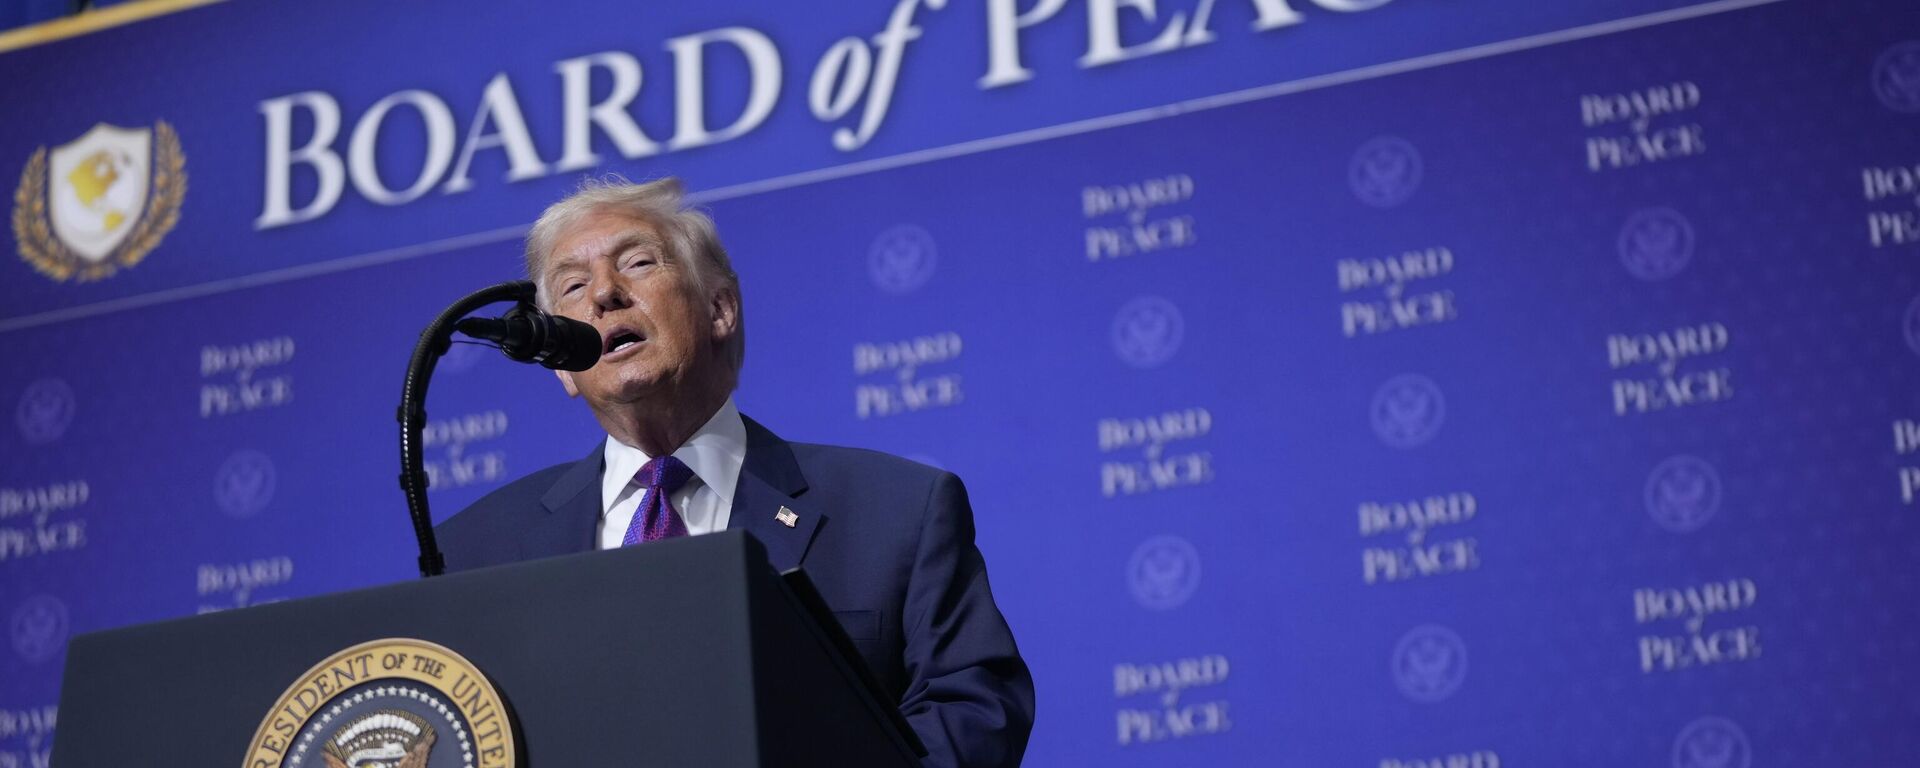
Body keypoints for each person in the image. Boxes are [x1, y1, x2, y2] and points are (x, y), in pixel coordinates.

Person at [435, 176, 1034, 768]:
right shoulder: (477, 553)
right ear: (560, 365)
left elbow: (974, 710)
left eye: (638, 263)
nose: (604, 295)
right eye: (572, 285)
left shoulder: (896, 511)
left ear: (720, 309)